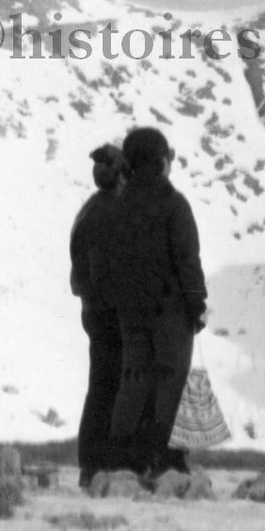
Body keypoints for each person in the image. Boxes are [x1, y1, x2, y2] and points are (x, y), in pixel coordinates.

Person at [91, 126, 207, 479]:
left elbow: (105, 264)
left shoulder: (118, 206)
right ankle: (168, 460)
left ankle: (122, 458)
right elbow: (187, 260)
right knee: (172, 379)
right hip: (171, 311)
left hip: (130, 312)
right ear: (159, 161)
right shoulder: (174, 205)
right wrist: (197, 303)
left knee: (134, 379)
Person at [69, 143, 126, 490]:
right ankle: (101, 465)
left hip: (93, 310)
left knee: (100, 387)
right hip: (112, 313)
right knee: (112, 388)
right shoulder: (115, 213)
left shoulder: (88, 211)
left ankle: (90, 465)